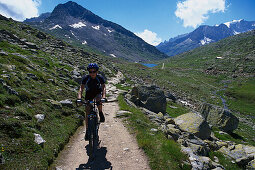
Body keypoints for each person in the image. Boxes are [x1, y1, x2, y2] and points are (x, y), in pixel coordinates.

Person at [77, 63, 106, 141]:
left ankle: (100, 112)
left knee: (99, 100)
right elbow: (81, 89)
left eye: (94, 71)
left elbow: (103, 88)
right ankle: (87, 131)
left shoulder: (100, 78)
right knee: (87, 112)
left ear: (97, 71)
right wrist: (79, 98)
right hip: (89, 94)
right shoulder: (86, 78)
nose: (92, 73)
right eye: (90, 72)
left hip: (97, 93)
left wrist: (104, 97)